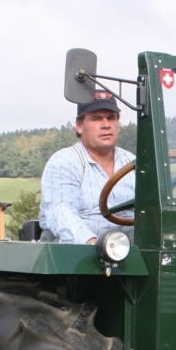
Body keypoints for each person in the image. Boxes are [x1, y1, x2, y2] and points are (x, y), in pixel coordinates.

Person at [39, 91, 136, 244]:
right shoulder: (65, 162)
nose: (106, 125)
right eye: (96, 119)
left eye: (111, 118)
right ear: (80, 126)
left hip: (128, 246)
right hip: (79, 250)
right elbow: (61, 211)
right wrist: (92, 242)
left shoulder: (132, 162)